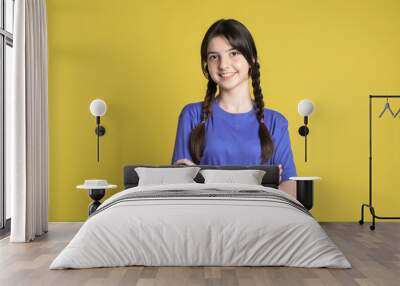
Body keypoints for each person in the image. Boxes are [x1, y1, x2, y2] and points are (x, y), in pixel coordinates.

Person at [171, 19, 297, 197]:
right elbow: (179, 185)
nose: (223, 65)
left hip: (262, 221)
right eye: (214, 56)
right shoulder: (191, 115)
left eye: (234, 53)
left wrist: (203, 180)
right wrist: (262, 185)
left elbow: (290, 187)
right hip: (205, 220)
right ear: (207, 65)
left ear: (252, 60)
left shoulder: (276, 122)